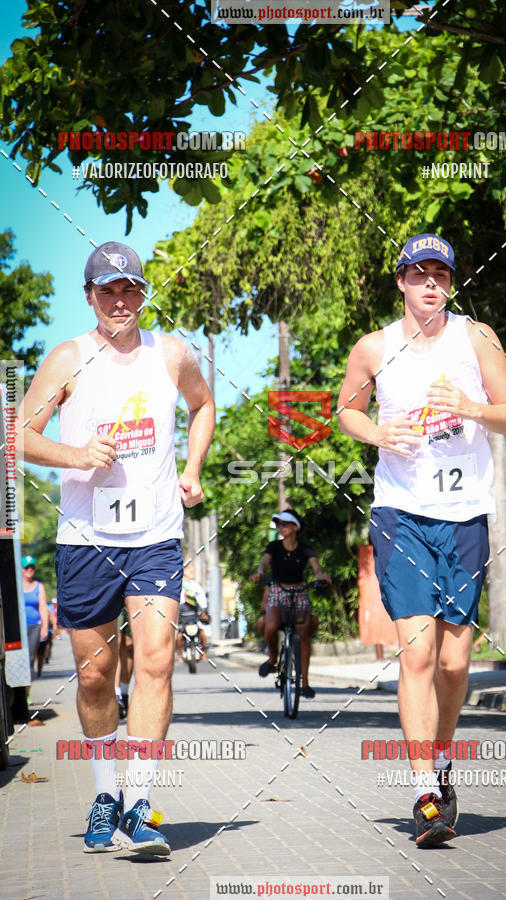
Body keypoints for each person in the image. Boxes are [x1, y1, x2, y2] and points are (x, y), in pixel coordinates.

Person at [20, 241, 215, 855]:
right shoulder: (68, 358)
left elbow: (204, 406)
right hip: (88, 540)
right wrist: (76, 455)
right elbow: (18, 435)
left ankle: (140, 803)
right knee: (95, 674)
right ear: (90, 297)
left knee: (156, 661)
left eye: (130, 288)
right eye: (108, 290)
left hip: (155, 536)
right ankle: (106, 793)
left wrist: (193, 467)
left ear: (143, 292)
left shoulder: (171, 354)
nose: (121, 300)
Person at [337, 233, 506, 848]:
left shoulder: (477, 338)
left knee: (454, 662)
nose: (430, 284)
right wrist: (378, 434)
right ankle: (423, 791)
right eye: (419, 274)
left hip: (464, 516)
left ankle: (443, 763)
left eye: (440, 274)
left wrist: (470, 406)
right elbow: (346, 411)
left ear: (451, 282)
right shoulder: (374, 348)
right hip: (402, 515)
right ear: (401, 282)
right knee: (416, 654)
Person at [251, 509, 331, 699]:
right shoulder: (273, 547)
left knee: (303, 633)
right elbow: (263, 564)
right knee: (270, 625)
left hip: (299, 591)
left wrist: (321, 576)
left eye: (285, 524)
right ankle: (272, 658)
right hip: (278, 591)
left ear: (295, 527)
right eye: (279, 524)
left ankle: (305, 683)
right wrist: (260, 573)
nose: (281, 527)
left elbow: (317, 568)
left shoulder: (305, 549)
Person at [22, 556, 49, 678]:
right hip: (20, 627)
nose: (30, 570)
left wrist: (45, 627)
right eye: (27, 567)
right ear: (22, 569)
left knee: (31, 655)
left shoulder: (38, 586)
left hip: (34, 626)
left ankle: (27, 683)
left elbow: (43, 606)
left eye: (32, 567)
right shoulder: (17, 585)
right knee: (21, 655)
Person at [176, 563, 210, 662]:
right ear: (184, 572)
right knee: (179, 636)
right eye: (189, 570)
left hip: (194, 617)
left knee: (203, 633)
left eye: (193, 570)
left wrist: (203, 613)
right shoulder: (179, 585)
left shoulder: (196, 586)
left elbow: (202, 602)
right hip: (183, 618)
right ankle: (180, 655)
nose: (192, 572)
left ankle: (203, 653)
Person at [114, 607, 133, 719]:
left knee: (129, 646)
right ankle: (116, 695)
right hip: (115, 601)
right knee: (116, 642)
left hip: (133, 601)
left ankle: (124, 694)